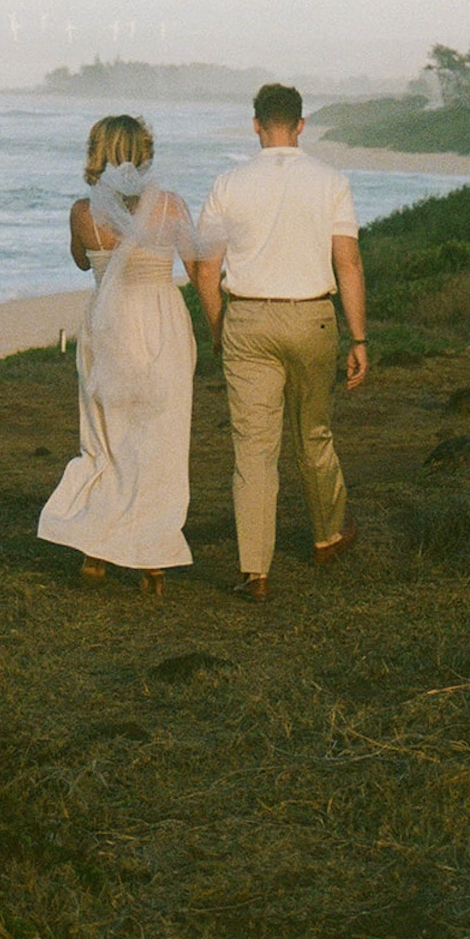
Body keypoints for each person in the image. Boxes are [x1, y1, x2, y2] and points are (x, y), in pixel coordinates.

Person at [196, 82, 368, 600]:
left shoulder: (228, 183)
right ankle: (327, 536)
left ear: (255, 125)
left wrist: (219, 328)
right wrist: (359, 337)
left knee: (253, 448)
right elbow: (349, 263)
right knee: (313, 433)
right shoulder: (331, 181)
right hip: (313, 316)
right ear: (300, 125)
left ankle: (256, 570)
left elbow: (207, 269)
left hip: (248, 317)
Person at [37, 114, 200, 595]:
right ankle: (152, 557)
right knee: (160, 438)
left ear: (96, 153)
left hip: (107, 328)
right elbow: (197, 263)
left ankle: (95, 550)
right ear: (144, 153)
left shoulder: (83, 212)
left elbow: (80, 259)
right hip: (160, 321)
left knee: (106, 437)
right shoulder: (169, 205)